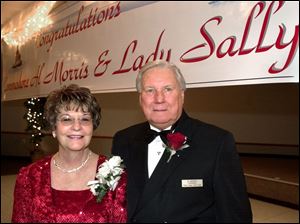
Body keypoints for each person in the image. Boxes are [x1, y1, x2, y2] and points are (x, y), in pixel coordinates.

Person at [111, 60, 252, 223]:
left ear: (182, 94)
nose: (159, 99)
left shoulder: (216, 142)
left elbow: (236, 215)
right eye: (150, 90)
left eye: (168, 89)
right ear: (140, 98)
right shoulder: (123, 140)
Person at [12, 84, 127, 223]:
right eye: (66, 119)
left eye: (85, 119)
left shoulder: (115, 176)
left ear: (93, 126)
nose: (77, 126)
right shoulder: (29, 177)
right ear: (54, 127)